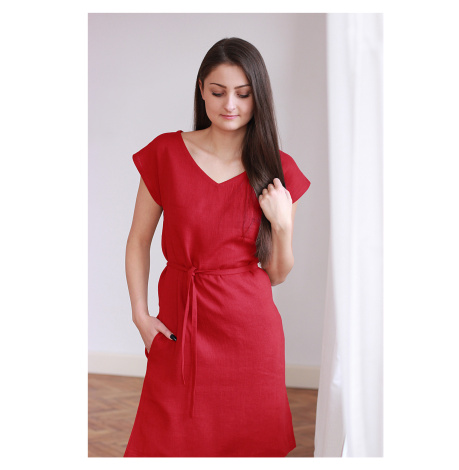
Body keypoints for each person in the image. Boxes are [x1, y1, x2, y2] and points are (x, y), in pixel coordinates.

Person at [123, 37, 311, 457]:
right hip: (180, 323)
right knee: (165, 444)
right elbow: (138, 240)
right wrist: (140, 315)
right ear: (201, 90)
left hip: (250, 334)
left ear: (258, 96)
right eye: (218, 91)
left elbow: (277, 274)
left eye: (243, 94)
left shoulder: (278, 169)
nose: (230, 104)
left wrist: (281, 225)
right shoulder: (166, 153)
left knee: (250, 448)